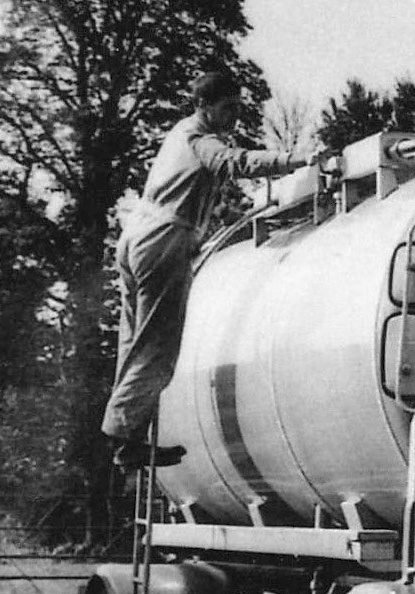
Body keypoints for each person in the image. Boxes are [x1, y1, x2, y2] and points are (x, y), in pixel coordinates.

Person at [101, 71, 316, 471]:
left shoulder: (180, 133)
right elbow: (234, 163)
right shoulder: (199, 138)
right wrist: (297, 160)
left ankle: (123, 430)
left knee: (134, 340)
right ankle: (125, 438)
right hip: (164, 237)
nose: (234, 115)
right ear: (205, 106)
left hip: (136, 235)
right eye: (228, 107)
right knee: (159, 346)